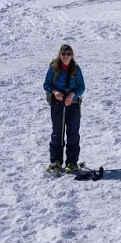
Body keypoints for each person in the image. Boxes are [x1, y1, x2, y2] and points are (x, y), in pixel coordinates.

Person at [44, 43, 85, 173]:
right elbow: (46, 84)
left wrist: (72, 95)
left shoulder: (76, 69)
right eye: (64, 54)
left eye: (68, 54)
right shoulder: (53, 69)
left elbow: (81, 87)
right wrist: (55, 92)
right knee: (57, 134)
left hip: (73, 106)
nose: (66, 56)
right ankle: (56, 161)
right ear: (60, 55)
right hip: (57, 105)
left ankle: (72, 162)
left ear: (72, 55)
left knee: (73, 134)